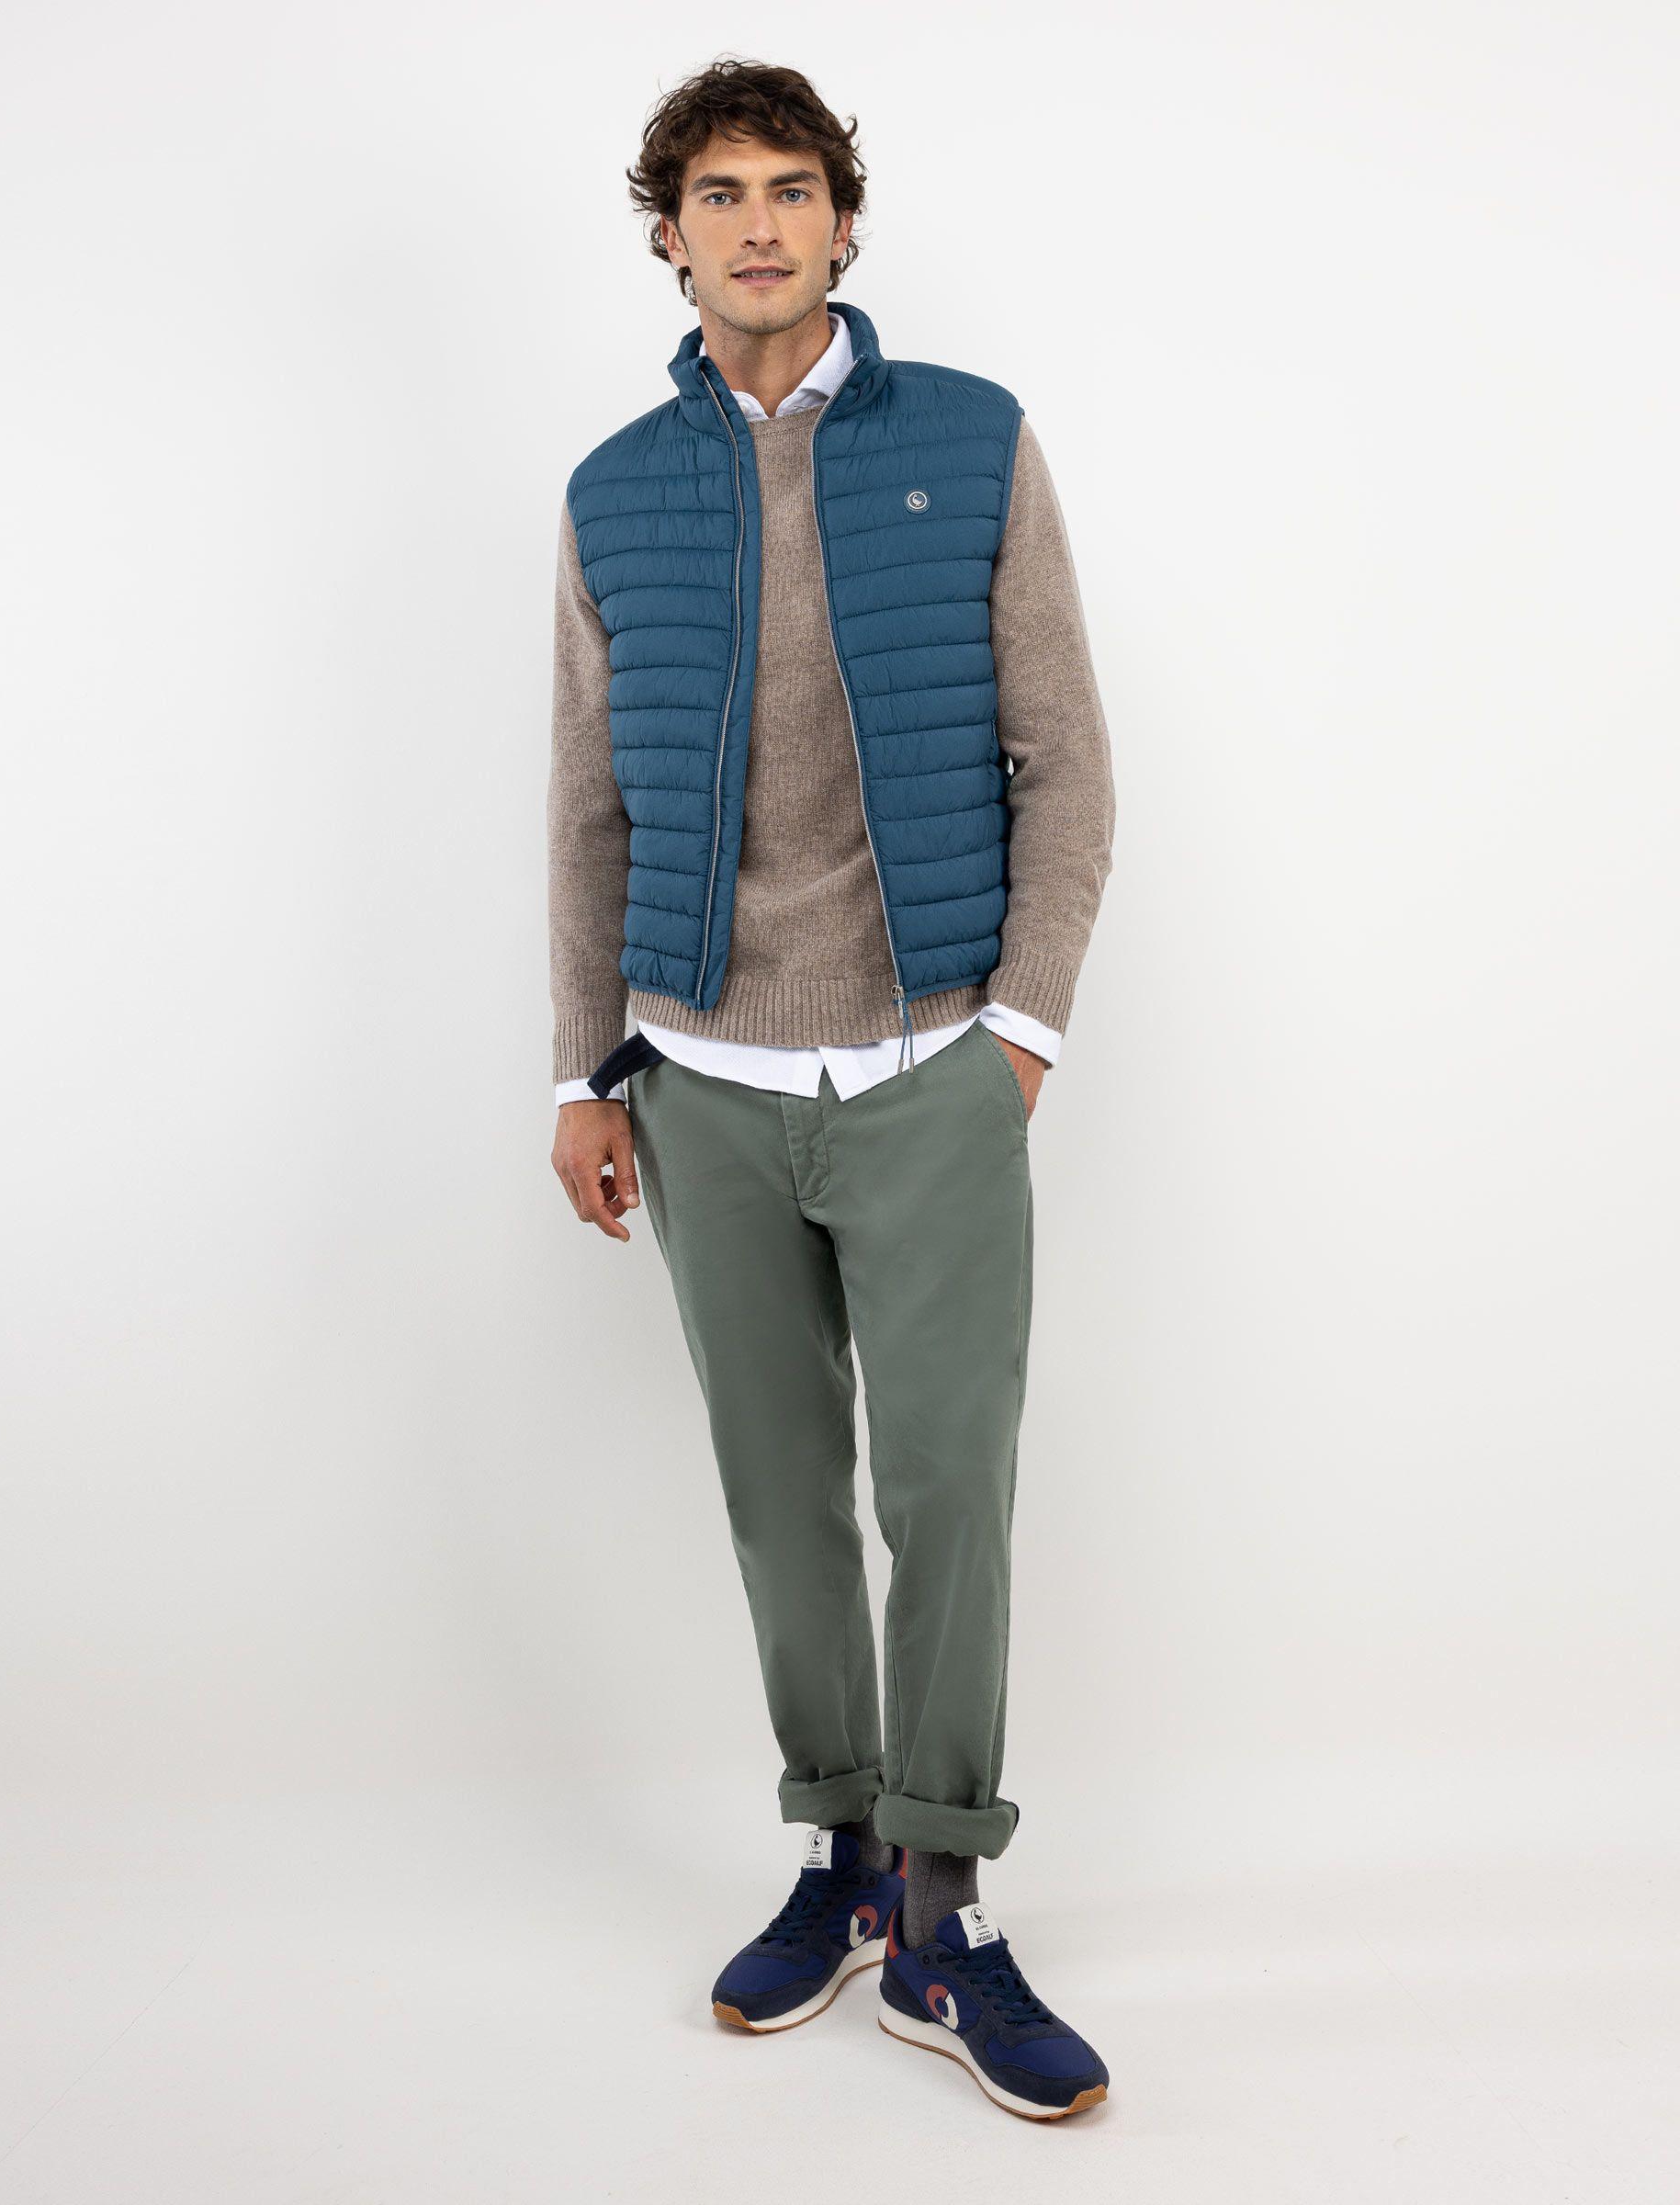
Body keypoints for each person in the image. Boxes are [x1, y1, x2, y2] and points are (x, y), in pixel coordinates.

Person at [547, 58, 1116, 2122]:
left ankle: (945, 1909)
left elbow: (1065, 758)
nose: (760, 223)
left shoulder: (969, 439)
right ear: (670, 234)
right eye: (720, 192)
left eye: (793, 188)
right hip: (697, 1083)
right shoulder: (614, 488)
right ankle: (840, 1849)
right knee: (779, 1497)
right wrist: (584, 1069)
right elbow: (587, 812)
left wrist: (1020, 1030)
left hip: (928, 1063)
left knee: (946, 1487)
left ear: (844, 223)